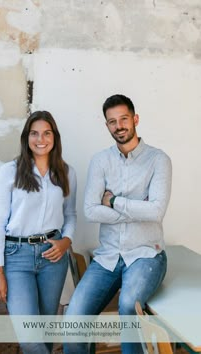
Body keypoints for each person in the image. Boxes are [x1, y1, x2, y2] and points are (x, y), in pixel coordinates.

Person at [64, 94, 172, 354]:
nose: (119, 126)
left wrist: (113, 202)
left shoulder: (159, 160)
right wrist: (137, 207)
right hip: (108, 256)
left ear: (135, 119)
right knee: (74, 318)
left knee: (128, 306)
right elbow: (90, 210)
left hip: (146, 255)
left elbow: (156, 211)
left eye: (124, 119)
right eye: (112, 121)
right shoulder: (101, 161)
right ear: (107, 126)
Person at [0, 110, 77, 354]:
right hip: (16, 256)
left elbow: (71, 216)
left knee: (45, 333)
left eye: (47, 133)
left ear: (55, 137)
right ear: (26, 137)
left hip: (53, 256)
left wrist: (66, 241)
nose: (41, 139)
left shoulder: (67, 173)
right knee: (29, 337)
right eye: (35, 133)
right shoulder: (9, 171)